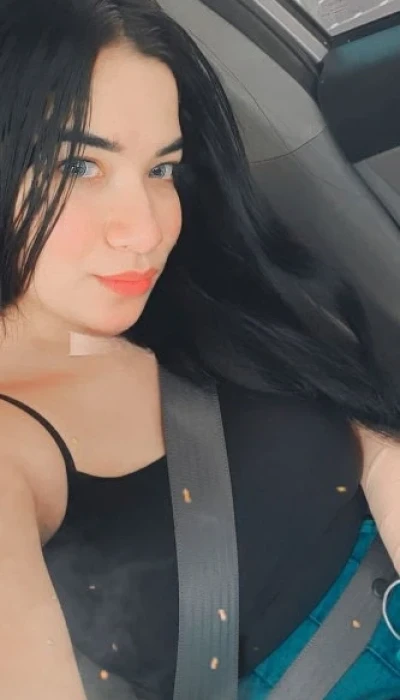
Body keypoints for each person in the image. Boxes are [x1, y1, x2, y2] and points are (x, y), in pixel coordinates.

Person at [0, 1, 400, 699]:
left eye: (162, 170)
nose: (146, 230)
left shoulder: (194, 298)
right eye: (78, 165)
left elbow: (372, 445)